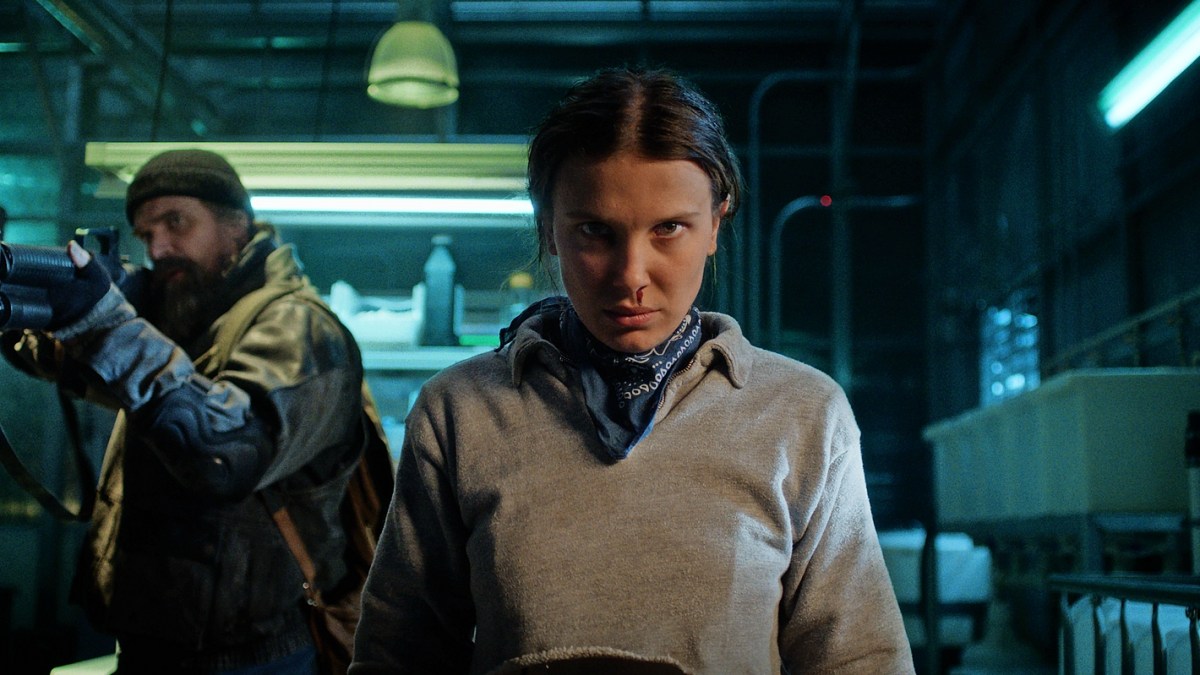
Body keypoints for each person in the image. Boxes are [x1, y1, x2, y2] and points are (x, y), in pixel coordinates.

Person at [351, 67, 914, 673]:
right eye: (595, 231)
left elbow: (859, 660)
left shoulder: (802, 416)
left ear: (715, 225)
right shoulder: (461, 412)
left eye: (669, 228)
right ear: (549, 230)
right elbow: (397, 657)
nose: (631, 276)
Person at [2, 149, 370, 673]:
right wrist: (23, 308)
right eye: (146, 234)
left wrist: (105, 322)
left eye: (176, 223)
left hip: (255, 658)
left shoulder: (298, 328)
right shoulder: (187, 315)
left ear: (236, 225)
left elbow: (225, 452)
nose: (159, 248)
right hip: (153, 646)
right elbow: (73, 363)